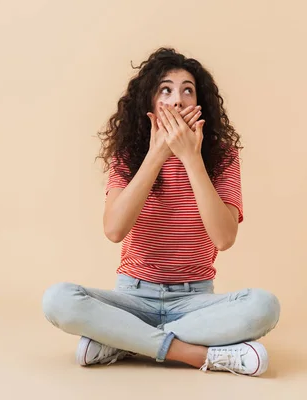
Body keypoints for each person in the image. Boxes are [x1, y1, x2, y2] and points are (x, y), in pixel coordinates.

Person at [42, 47, 280, 377]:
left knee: (264, 307)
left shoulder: (222, 157)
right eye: (166, 90)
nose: (177, 99)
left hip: (194, 301)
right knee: (58, 300)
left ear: (200, 105)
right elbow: (113, 230)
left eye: (187, 90)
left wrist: (191, 159)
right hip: (132, 299)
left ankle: (123, 340)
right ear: (151, 104)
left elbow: (224, 238)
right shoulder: (128, 156)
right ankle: (194, 354)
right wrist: (157, 155)